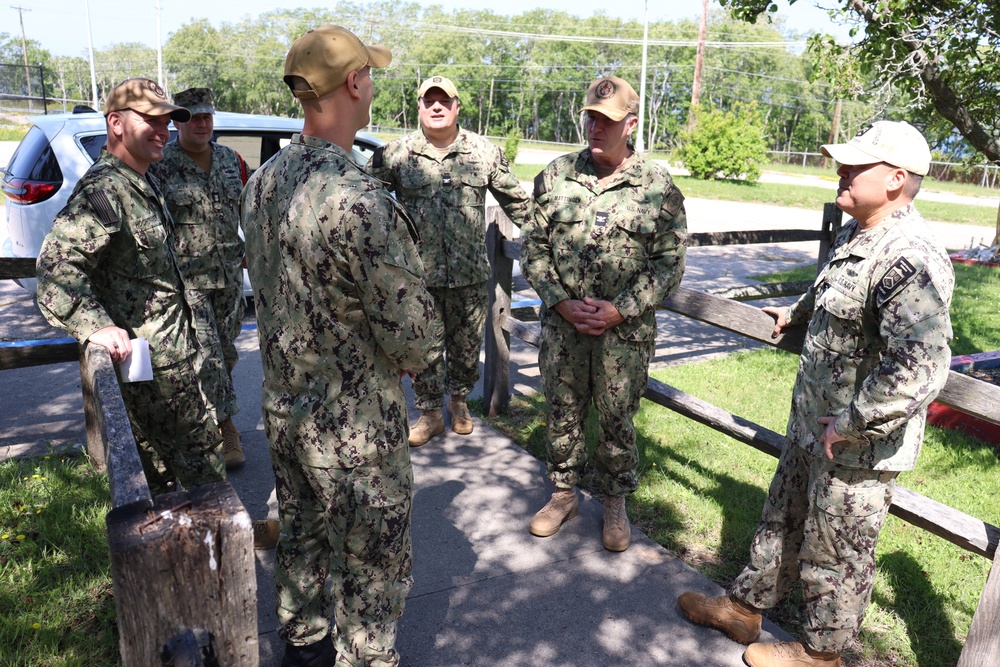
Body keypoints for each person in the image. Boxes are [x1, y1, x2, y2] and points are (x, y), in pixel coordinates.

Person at [678, 121, 954, 667]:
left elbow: (920, 366)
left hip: (855, 445)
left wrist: (852, 422)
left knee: (837, 551)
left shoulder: (910, 257)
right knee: (780, 519)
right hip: (814, 423)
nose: (841, 170)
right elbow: (835, 289)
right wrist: (796, 313)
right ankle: (743, 610)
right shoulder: (862, 234)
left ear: (897, 179)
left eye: (856, 165)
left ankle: (820, 655)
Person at [240, 25, 440, 667]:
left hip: (286, 413)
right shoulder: (359, 201)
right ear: (353, 83)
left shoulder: (264, 184)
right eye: (370, 74)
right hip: (354, 432)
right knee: (371, 578)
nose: (374, 84)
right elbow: (416, 340)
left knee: (301, 545)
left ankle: (301, 650)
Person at [520, 76, 687, 553]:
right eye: (591, 117)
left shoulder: (657, 187)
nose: (596, 127)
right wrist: (559, 300)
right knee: (562, 412)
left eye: (607, 120)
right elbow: (533, 246)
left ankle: (615, 502)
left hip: (623, 335)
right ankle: (563, 494)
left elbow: (669, 264)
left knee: (617, 419)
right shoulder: (556, 175)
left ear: (631, 124)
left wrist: (621, 309)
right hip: (564, 328)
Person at [34, 78, 225, 496]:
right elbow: (55, 272)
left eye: (168, 122)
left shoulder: (143, 179)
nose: (163, 131)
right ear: (116, 123)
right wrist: (95, 324)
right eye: (151, 121)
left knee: (172, 481)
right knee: (199, 477)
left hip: (172, 363)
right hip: (148, 372)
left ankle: (194, 551)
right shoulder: (104, 190)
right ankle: (221, 551)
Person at [367, 75, 532, 447]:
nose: (437, 107)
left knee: (465, 347)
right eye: (429, 101)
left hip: (469, 275)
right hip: (417, 277)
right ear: (420, 107)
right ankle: (428, 413)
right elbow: (362, 203)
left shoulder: (483, 152)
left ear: (457, 107)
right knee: (423, 346)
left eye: (445, 101)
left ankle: (458, 402)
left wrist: (553, 234)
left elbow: (517, 202)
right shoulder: (395, 154)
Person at [150, 87, 250, 470]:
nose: (203, 123)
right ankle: (226, 431)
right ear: (177, 121)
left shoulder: (230, 160)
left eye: (208, 116)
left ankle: (207, 415)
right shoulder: (162, 165)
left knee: (224, 354)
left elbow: (245, 214)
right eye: (194, 117)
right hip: (188, 282)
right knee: (206, 355)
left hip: (228, 280)